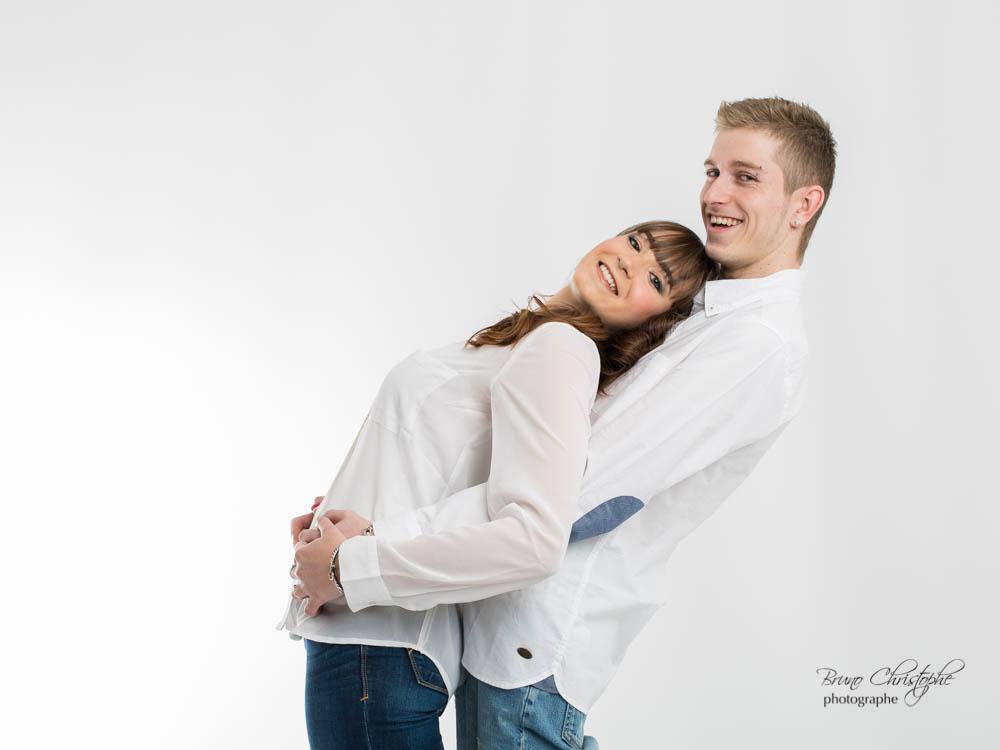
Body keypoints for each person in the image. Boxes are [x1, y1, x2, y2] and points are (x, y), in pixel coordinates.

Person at [291, 96, 836, 749]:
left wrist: (370, 548)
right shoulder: (705, 320)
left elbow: (582, 494)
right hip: (492, 627)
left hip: (534, 651)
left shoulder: (755, 346)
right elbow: (533, 453)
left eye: (746, 176)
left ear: (804, 205)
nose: (715, 192)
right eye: (712, 169)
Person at [279, 220, 719, 749]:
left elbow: (535, 541)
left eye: (656, 279)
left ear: (656, 321)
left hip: (379, 646)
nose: (630, 263)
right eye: (635, 242)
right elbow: (452, 474)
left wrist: (345, 566)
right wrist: (351, 502)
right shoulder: (533, 340)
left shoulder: (561, 347)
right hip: (371, 646)